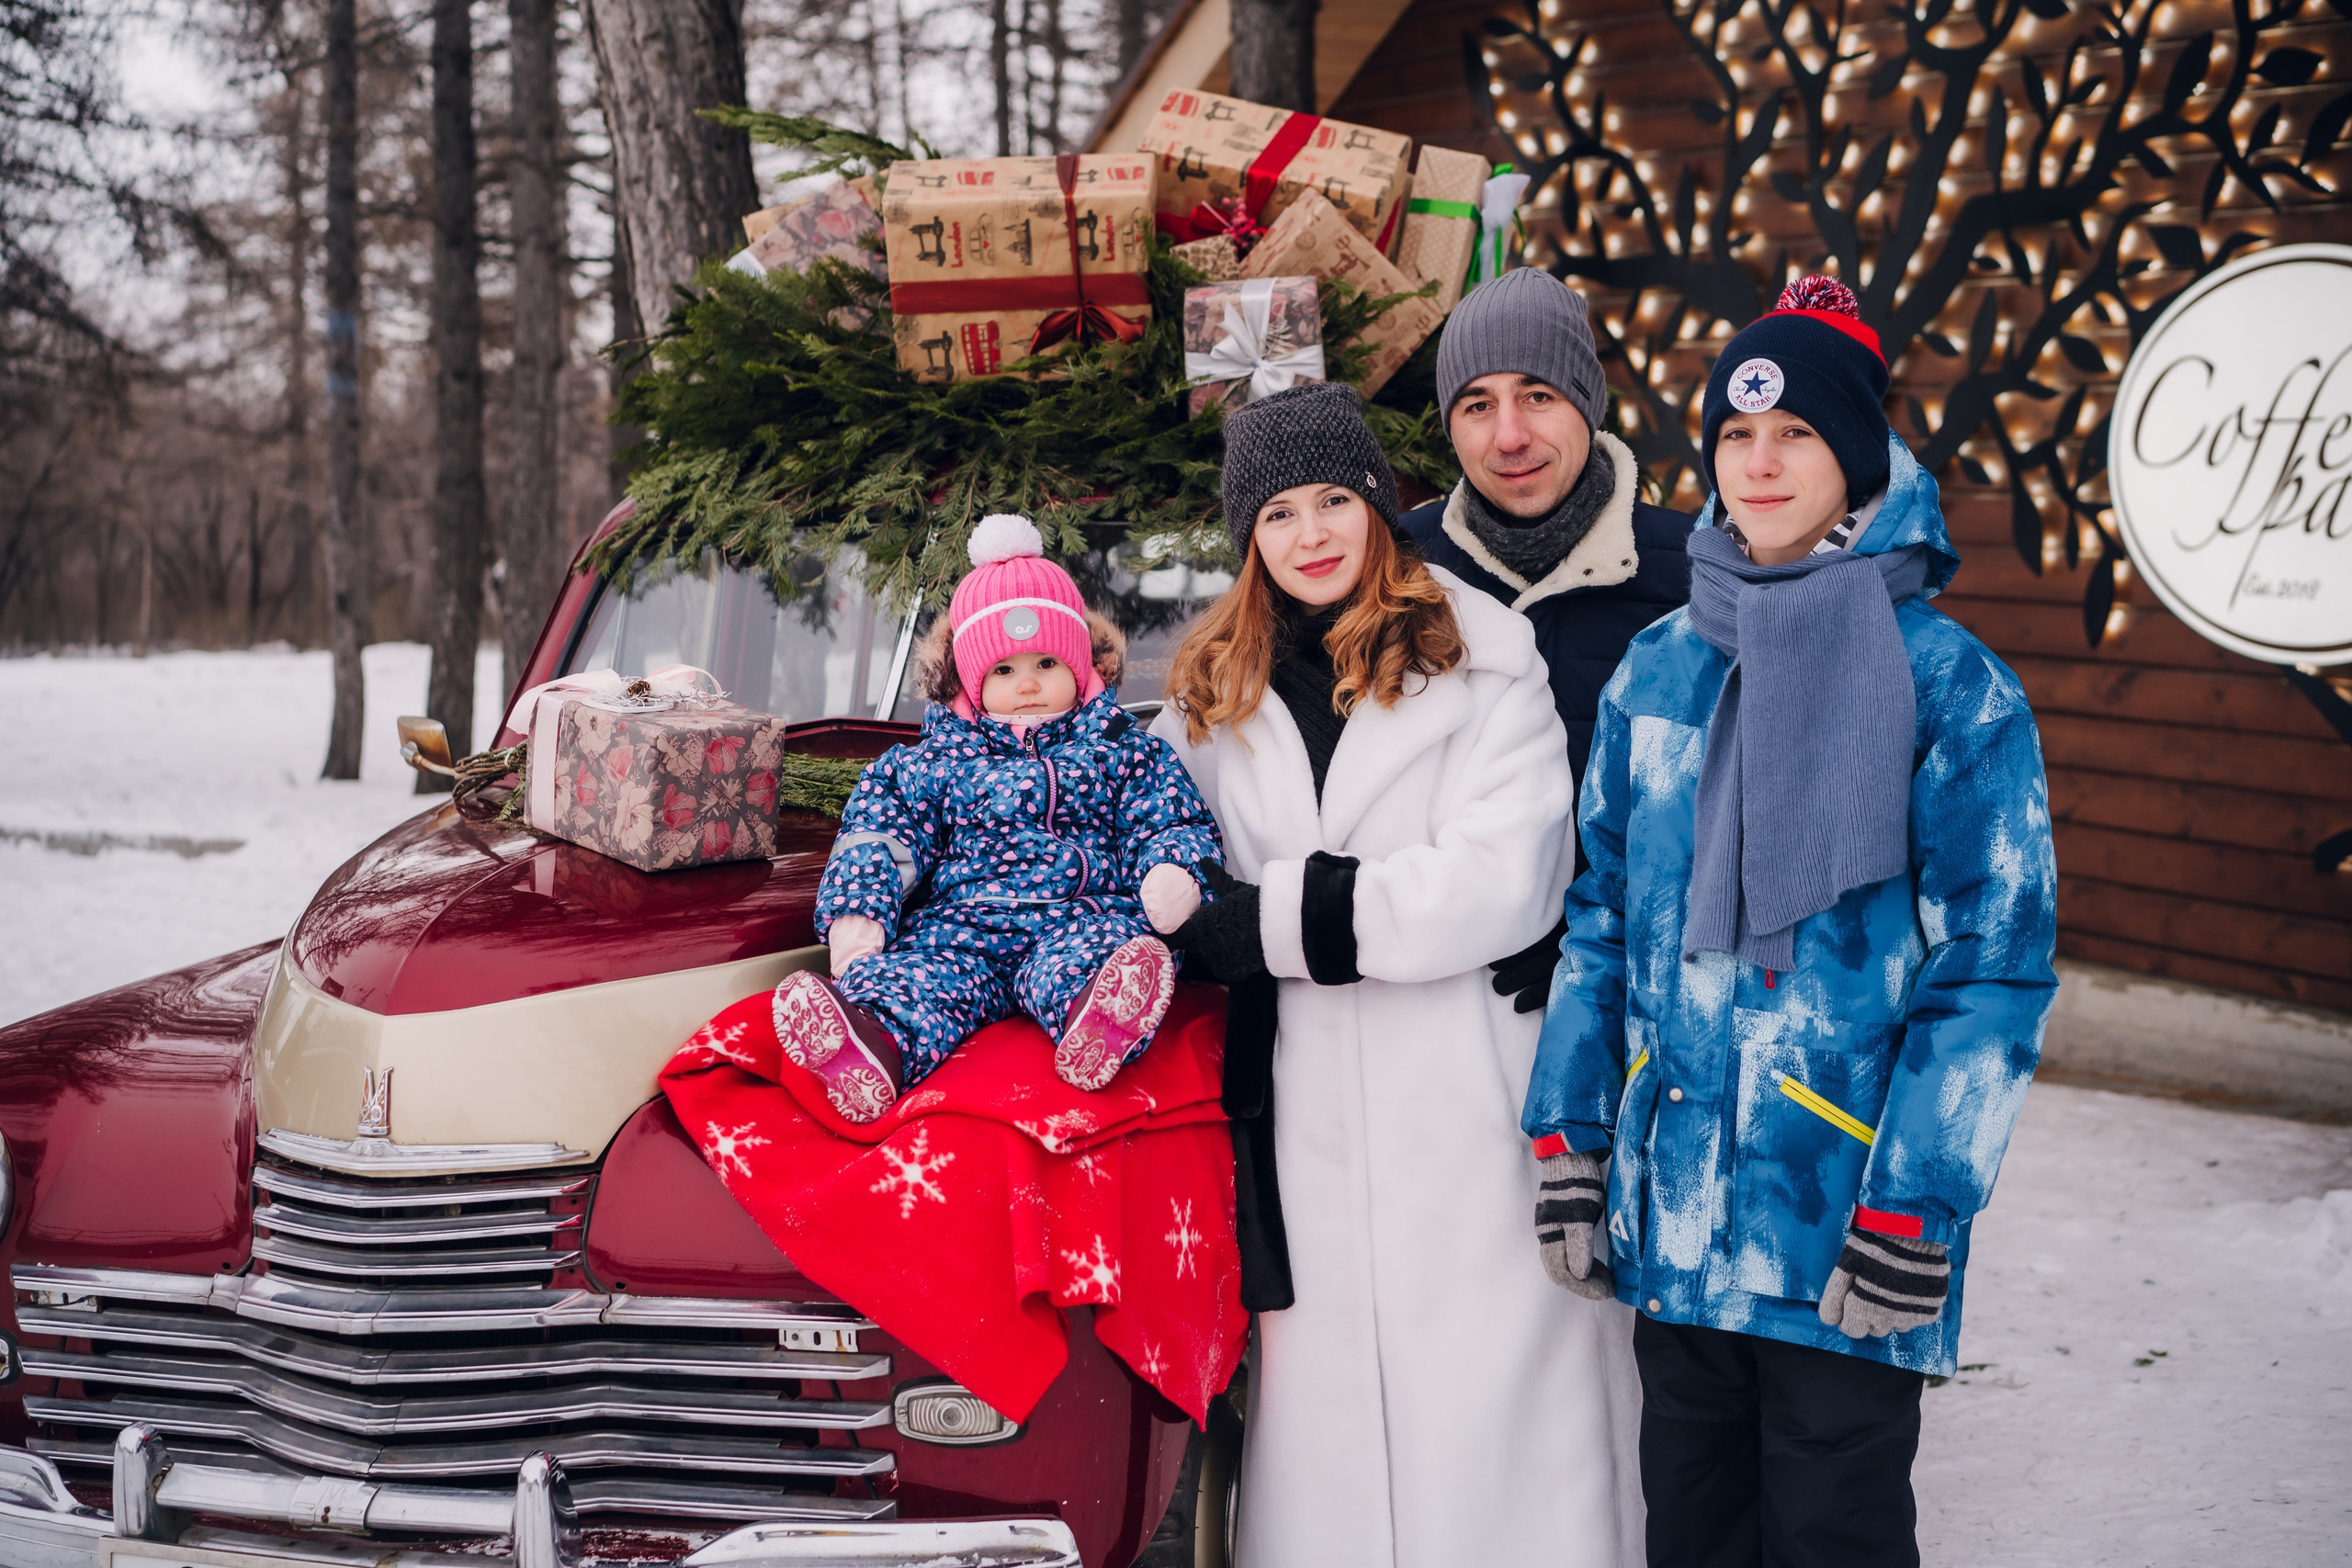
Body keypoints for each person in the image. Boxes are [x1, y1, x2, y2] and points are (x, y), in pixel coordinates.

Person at [1523, 276, 2059, 1568]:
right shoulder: (1662, 665)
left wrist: (1913, 1210)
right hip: (1676, 1206)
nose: (1760, 463)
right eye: (1735, 437)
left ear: (1859, 453)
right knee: (1694, 1531)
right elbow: (1601, 920)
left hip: (1839, 1219)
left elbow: (1993, 974)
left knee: (1833, 1534)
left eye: (1798, 434)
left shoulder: (1950, 684)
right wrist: (1569, 1133)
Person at [1154, 381, 1643, 1568]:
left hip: (1464, 1088)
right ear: (1247, 537)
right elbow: (1166, 865)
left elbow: (1501, 878)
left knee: (1498, 1407)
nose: (1312, 533)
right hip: (1302, 1110)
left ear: (1381, 508)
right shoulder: (1210, 691)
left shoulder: (1480, 658)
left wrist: (1268, 920)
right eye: (1278, 513)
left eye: (1335, 500)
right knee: (1327, 1419)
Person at [782, 514, 1222, 1123]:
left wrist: (1170, 872)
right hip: (962, 932)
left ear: (1081, 665)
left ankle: (1099, 1019)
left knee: (1100, 954)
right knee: (916, 982)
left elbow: (1168, 818)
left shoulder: (1123, 749)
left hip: (1077, 917)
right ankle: (868, 1045)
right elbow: (877, 836)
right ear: (970, 681)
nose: (1029, 684)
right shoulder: (930, 762)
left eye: (1047, 662)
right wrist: (860, 915)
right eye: (1005, 670)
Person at [1398, 267, 1692, 1013]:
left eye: (1537, 394)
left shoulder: (1694, 573)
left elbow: (1732, 806)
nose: (1509, 436)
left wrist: (1604, 933)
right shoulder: (1400, 569)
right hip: (1445, 1003)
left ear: (1586, 403)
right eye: (1477, 403)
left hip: (1638, 1001)